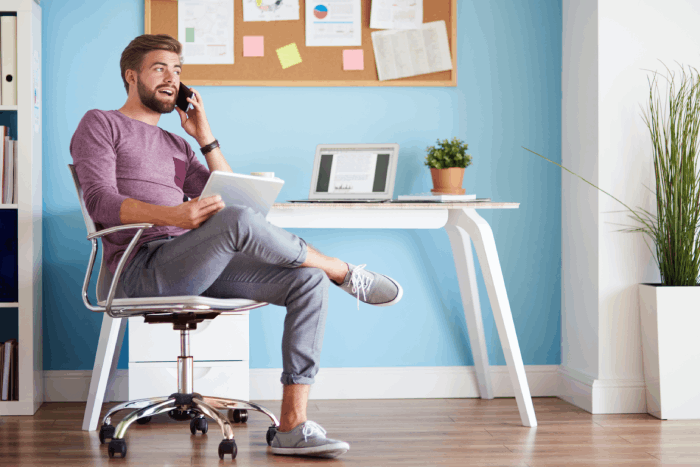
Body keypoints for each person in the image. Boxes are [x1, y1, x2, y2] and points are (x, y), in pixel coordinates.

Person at [70, 34, 403, 459]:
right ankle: (344, 270)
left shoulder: (177, 144)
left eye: (177, 70)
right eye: (160, 69)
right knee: (241, 225)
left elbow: (238, 201)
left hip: (190, 263)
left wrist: (204, 136)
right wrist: (174, 216)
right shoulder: (101, 123)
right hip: (139, 268)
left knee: (309, 281)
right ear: (130, 75)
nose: (172, 78)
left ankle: (292, 427)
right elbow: (99, 200)